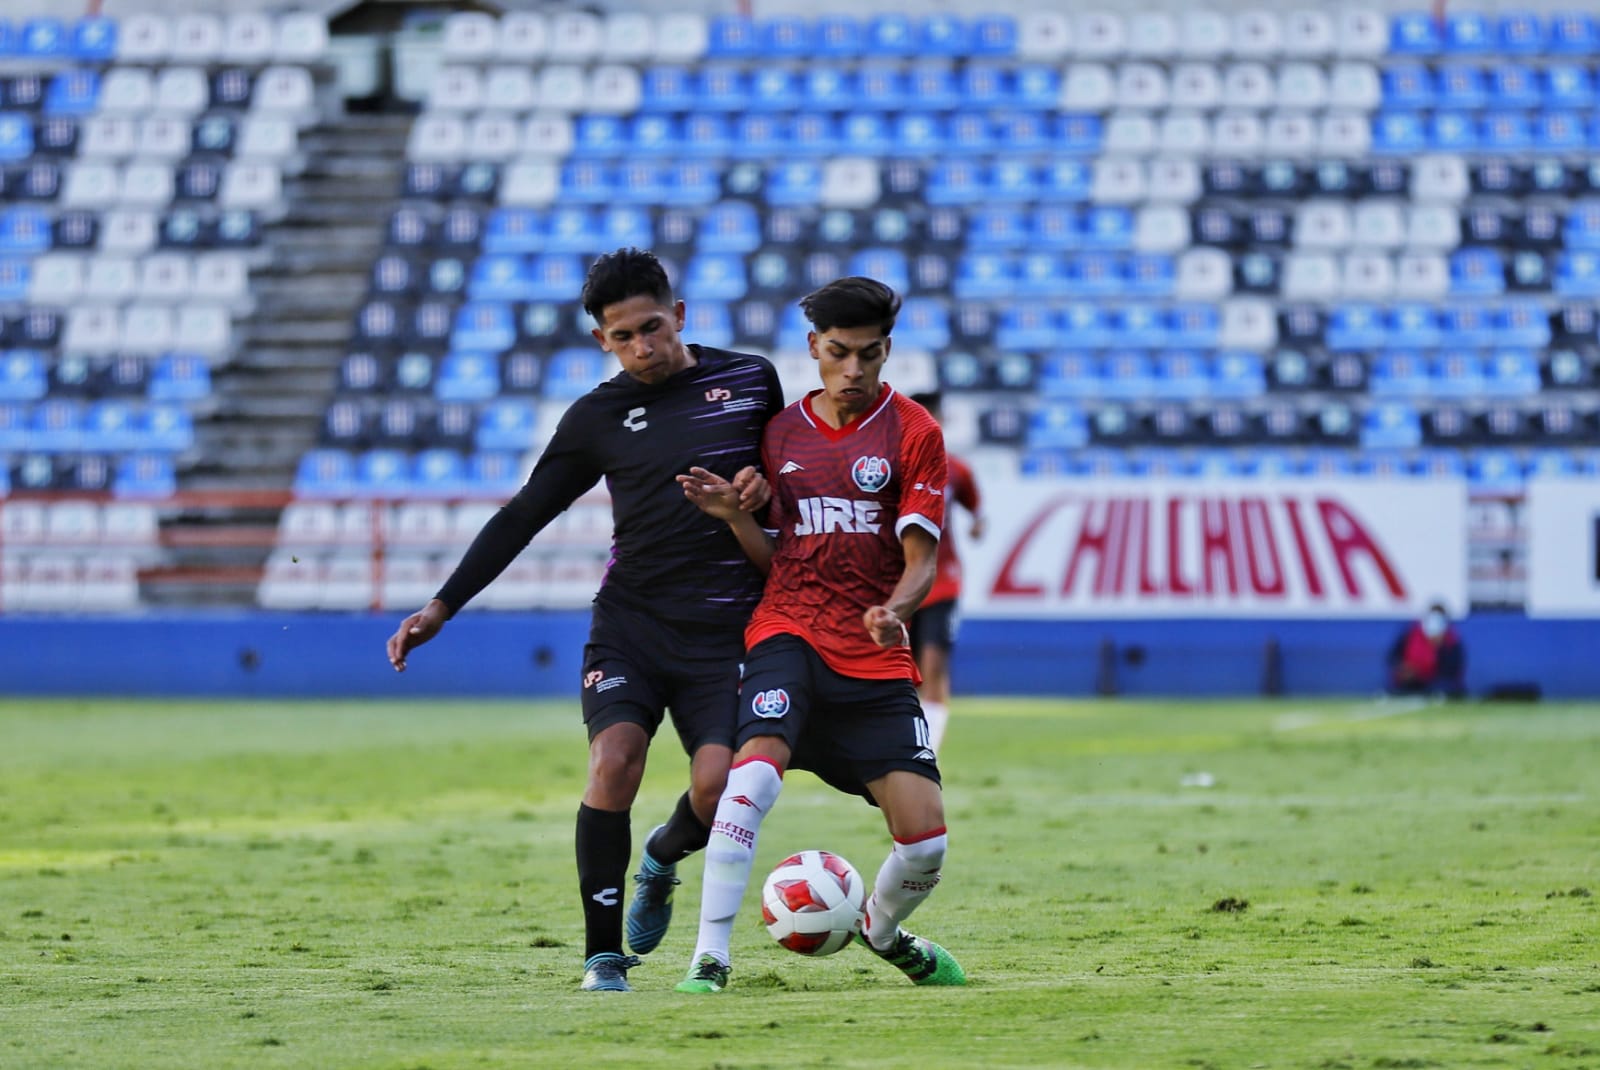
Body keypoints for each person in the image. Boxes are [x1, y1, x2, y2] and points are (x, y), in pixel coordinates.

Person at [385, 248, 784, 992]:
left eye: (653, 327)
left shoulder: (752, 380)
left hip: (728, 631)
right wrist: (442, 605)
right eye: (623, 336)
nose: (643, 347)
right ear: (602, 340)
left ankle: (662, 856)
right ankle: (604, 957)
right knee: (614, 762)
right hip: (632, 624)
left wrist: (764, 493)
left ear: (681, 316)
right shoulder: (596, 417)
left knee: (718, 787)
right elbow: (523, 515)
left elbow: (789, 478)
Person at [671, 276, 966, 994]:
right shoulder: (780, 433)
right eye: (839, 352)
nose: (855, 370)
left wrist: (896, 607)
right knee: (750, 781)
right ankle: (710, 956)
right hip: (789, 629)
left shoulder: (916, 434)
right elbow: (778, 555)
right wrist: (737, 519)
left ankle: (882, 930)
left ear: (888, 350)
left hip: (873, 653)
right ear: (814, 348)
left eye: (870, 354)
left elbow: (922, 561)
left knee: (926, 842)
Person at [906, 392, 983, 755]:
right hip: (899, 584)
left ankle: (928, 749)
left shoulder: (957, 470)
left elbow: (976, 510)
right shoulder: (894, 465)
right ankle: (903, 739)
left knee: (933, 664)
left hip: (942, 580)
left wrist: (978, 526)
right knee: (902, 669)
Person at [1386, 602, 1466, 698]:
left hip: (1437, 684)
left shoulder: (1451, 641)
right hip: (1412, 682)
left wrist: (1439, 649)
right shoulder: (1411, 634)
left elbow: (1452, 670)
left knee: (1444, 687)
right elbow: (1393, 657)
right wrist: (1403, 668)